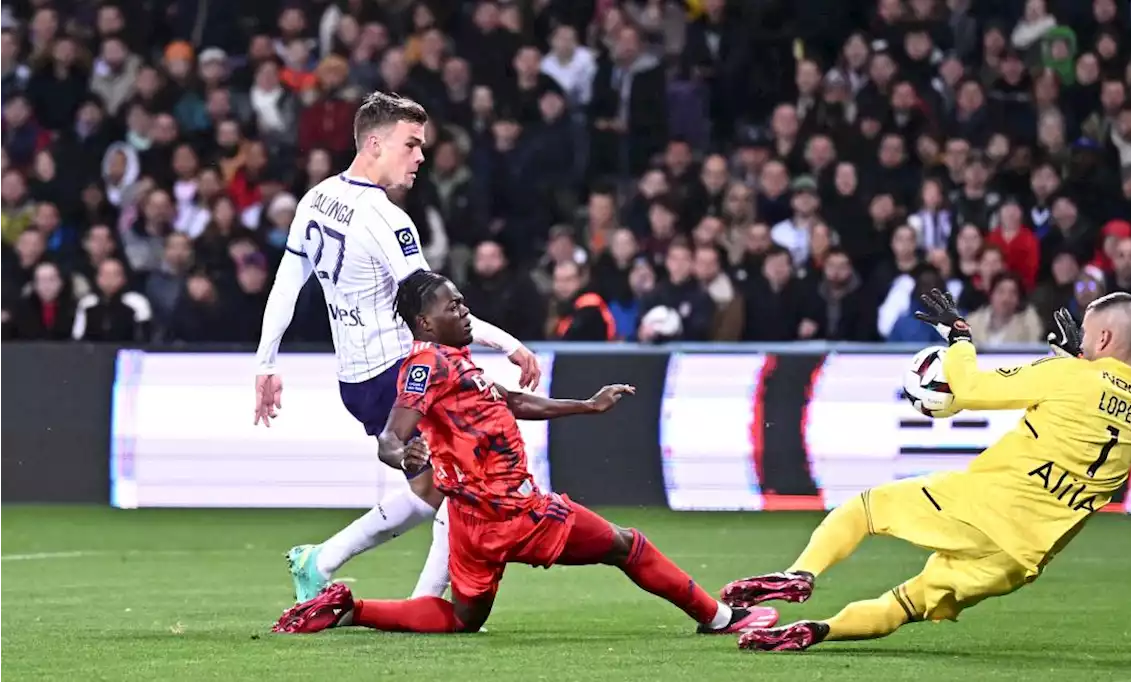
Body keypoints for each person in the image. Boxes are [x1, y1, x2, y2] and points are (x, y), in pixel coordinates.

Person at [272, 270, 779, 636]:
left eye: (463, 302)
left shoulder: (453, 361)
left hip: (472, 523)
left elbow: (511, 400)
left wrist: (584, 405)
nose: (464, 312)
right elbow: (390, 435)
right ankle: (720, 618)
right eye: (452, 308)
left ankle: (347, 608)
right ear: (424, 324)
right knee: (628, 546)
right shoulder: (426, 364)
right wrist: (404, 456)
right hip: (515, 510)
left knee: (462, 620)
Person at [726, 288, 1131, 652]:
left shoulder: (1070, 376)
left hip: (985, 510)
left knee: (866, 509)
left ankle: (800, 575)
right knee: (905, 603)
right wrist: (1073, 359)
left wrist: (960, 338)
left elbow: (969, 389)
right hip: (1021, 559)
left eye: (1085, 330)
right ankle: (818, 631)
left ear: (1103, 335)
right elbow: (1086, 421)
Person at [251, 92, 541, 606]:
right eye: (412, 144)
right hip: (402, 374)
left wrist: (266, 364)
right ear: (376, 143)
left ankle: (320, 562)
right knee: (464, 490)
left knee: (431, 491)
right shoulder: (384, 218)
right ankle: (424, 607)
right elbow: (437, 310)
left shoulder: (315, 198)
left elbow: (285, 285)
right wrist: (508, 343)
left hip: (357, 381)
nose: (421, 157)